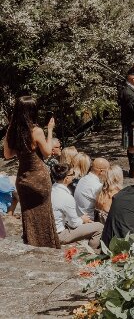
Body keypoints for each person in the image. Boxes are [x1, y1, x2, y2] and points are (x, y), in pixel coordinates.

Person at [2, 96, 60, 248]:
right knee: (44, 213)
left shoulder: (12, 131)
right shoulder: (36, 131)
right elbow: (47, 153)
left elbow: (7, 155)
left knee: (28, 215)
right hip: (39, 177)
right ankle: (48, 245)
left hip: (23, 179)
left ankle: (32, 244)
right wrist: (50, 130)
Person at [50, 164, 103, 250]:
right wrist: (83, 219)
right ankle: (91, 251)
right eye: (72, 173)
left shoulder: (52, 189)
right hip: (60, 235)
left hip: (53, 229)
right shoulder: (66, 197)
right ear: (66, 178)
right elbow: (74, 224)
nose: (74, 176)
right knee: (99, 227)